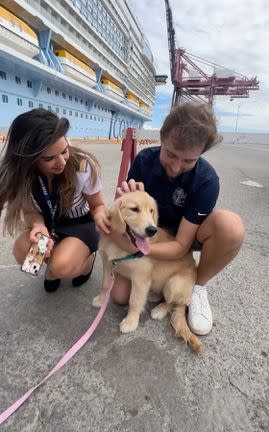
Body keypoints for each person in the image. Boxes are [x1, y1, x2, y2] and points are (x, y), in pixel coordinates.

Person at [108, 101, 245, 336]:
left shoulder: (206, 181)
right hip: (150, 231)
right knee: (119, 296)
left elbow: (181, 246)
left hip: (184, 237)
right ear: (162, 137)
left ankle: (197, 286)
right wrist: (123, 199)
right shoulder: (144, 160)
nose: (175, 166)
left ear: (201, 153)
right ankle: (160, 282)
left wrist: (136, 249)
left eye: (188, 161)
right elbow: (127, 211)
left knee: (230, 226)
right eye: (171, 154)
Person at [0, 108, 109, 293]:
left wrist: (100, 216)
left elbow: (97, 205)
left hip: (80, 223)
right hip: (49, 224)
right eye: (49, 158)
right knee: (27, 258)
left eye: (64, 151)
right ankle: (56, 262)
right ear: (29, 158)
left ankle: (84, 262)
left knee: (62, 266)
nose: (62, 162)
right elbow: (29, 211)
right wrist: (37, 225)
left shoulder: (82, 166)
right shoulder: (24, 175)